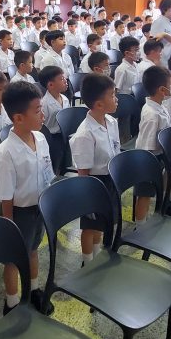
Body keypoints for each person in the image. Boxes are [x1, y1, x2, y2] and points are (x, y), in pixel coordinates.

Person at [0, 81, 55, 315]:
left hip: (38, 208)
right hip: (17, 214)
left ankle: (34, 289)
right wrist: (9, 226)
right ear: (18, 118)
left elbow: (47, 172)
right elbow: (6, 196)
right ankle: (11, 302)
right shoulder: (5, 152)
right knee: (13, 259)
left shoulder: (40, 139)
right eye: (37, 110)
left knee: (33, 249)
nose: (43, 115)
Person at [69, 73, 120, 264]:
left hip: (109, 180)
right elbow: (83, 172)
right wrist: (87, 200)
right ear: (99, 104)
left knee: (101, 223)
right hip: (93, 184)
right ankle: (87, 262)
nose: (116, 99)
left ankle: (96, 256)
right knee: (90, 226)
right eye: (112, 95)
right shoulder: (85, 134)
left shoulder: (111, 122)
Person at [134, 66, 171, 222]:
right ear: (162, 90)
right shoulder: (152, 114)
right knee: (145, 194)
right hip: (148, 159)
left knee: (150, 192)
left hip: (157, 155)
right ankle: (140, 226)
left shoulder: (159, 106)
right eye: (170, 85)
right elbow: (148, 145)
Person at [38, 65, 69, 175]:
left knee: (66, 163)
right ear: (51, 85)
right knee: (55, 165)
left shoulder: (64, 99)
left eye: (64, 78)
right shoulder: (44, 103)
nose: (65, 81)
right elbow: (41, 124)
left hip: (64, 135)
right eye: (61, 79)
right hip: (52, 138)